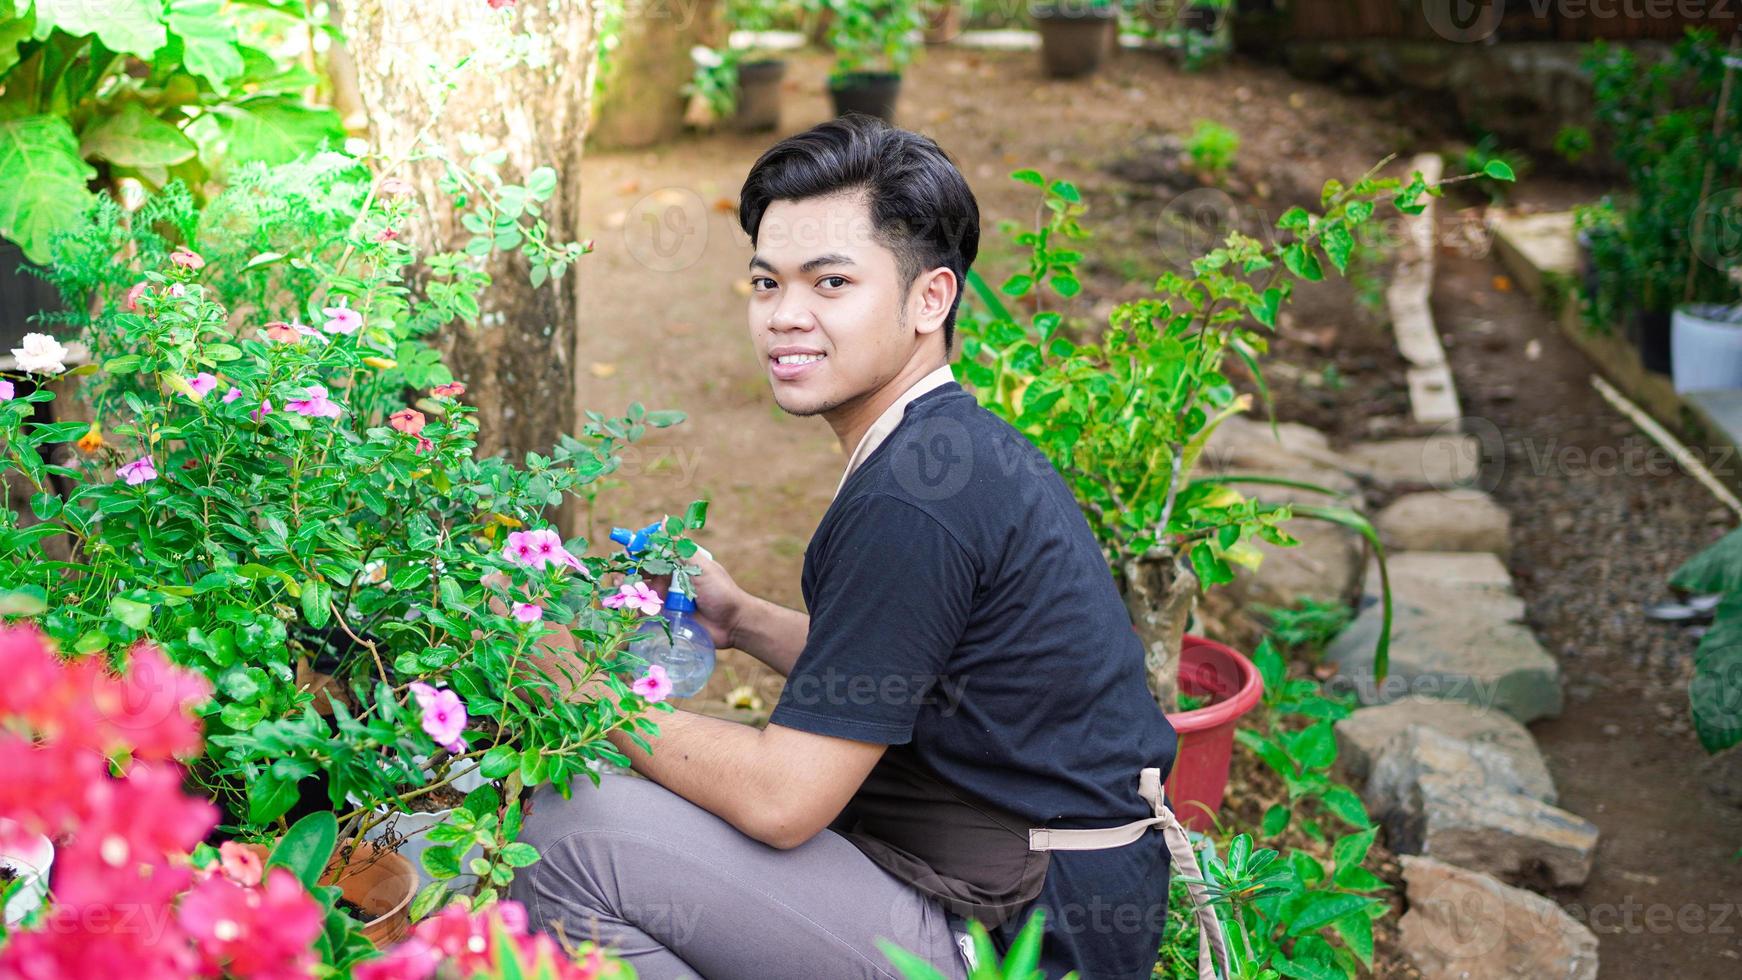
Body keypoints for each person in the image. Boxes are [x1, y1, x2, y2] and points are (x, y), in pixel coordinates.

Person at [509, 114, 1180, 979]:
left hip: (1024, 936)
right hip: (1017, 874)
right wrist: (745, 619)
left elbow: (782, 801)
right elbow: (906, 677)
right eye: (766, 283)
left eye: (830, 283)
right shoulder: (942, 448)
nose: (786, 317)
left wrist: (572, 677)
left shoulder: (915, 499)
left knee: (572, 834)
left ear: (928, 298)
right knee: (647, 776)